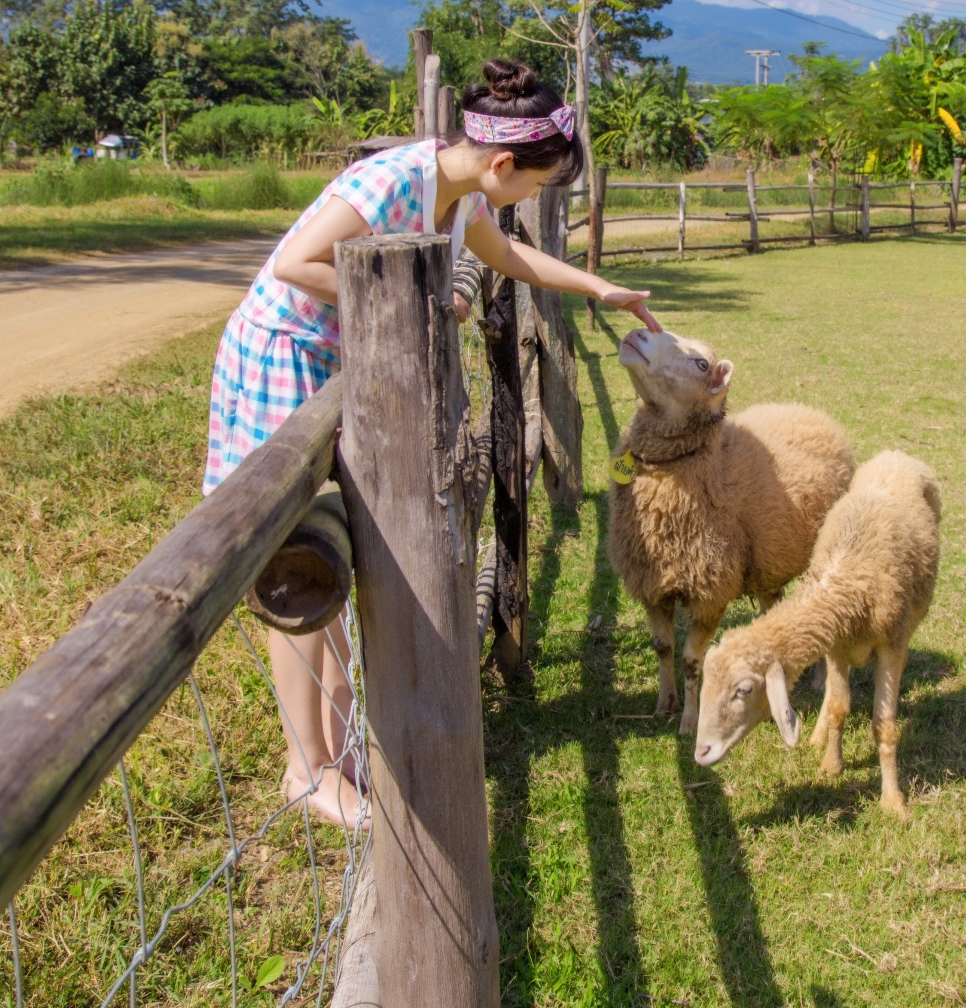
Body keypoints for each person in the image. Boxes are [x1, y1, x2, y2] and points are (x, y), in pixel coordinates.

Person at [204, 58, 658, 830]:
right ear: (504, 163)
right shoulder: (392, 183)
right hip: (286, 353)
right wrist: (420, 299)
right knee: (293, 564)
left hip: (344, 363)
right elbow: (295, 263)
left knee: (337, 547)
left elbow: (506, 256)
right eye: (535, 188)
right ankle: (304, 767)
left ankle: (340, 743)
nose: (526, 203)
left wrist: (597, 288)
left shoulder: (457, 193)